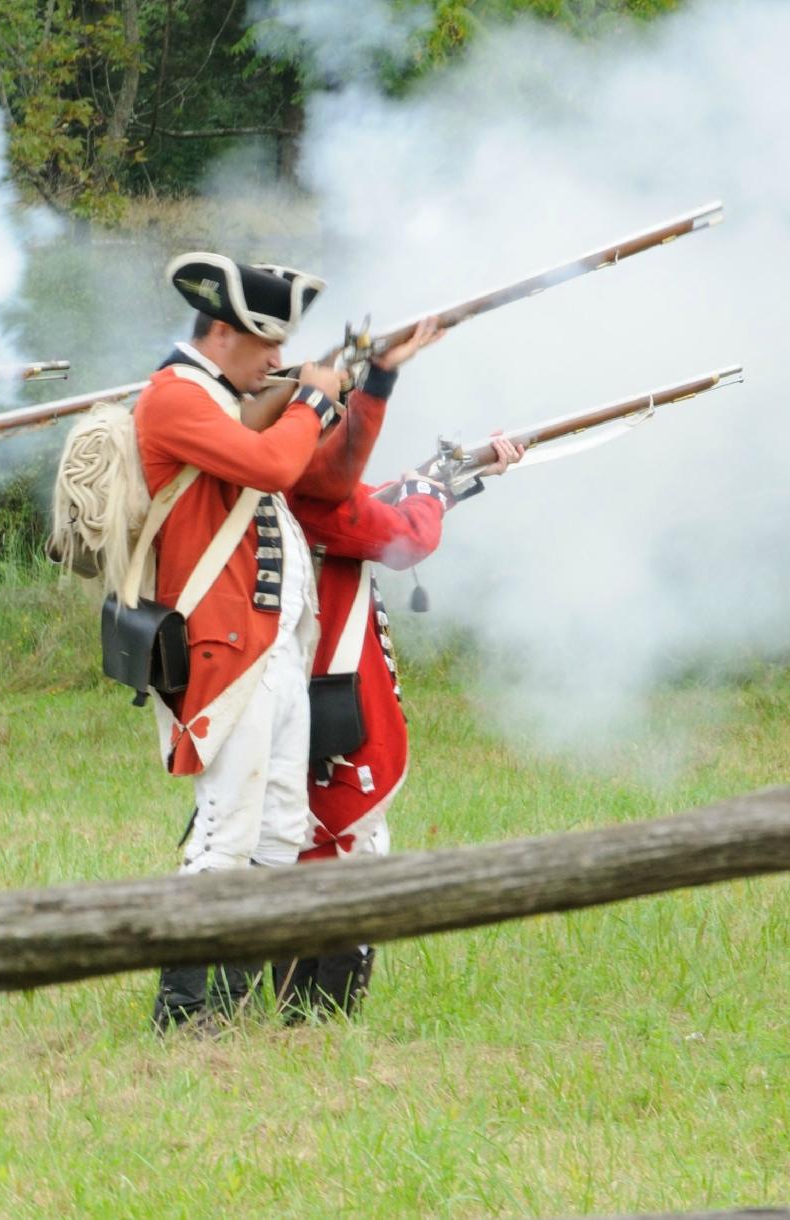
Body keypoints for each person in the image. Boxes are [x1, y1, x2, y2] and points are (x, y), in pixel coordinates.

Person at [136, 255, 437, 1031]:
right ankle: (184, 1012)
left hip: (274, 646)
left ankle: (232, 1007)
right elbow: (274, 462)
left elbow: (327, 485)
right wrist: (310, 396)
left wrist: (375, 385)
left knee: (279, 829)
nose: (277, 359)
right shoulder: (175, 397)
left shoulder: (239, 399)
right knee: (225, 833)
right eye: (267, 345)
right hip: (221, 647)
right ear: (227, 332)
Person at [278, 372, 524, 1019]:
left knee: (296, 840)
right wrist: (434, 490)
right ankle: (319, 1018)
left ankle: (295, 1012)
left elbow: (374, 505)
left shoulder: (283, 480)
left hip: (294, 685)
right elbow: (396, 531)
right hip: (321, 687)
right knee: (345, 843)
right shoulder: (308, 490)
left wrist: (454, 476)